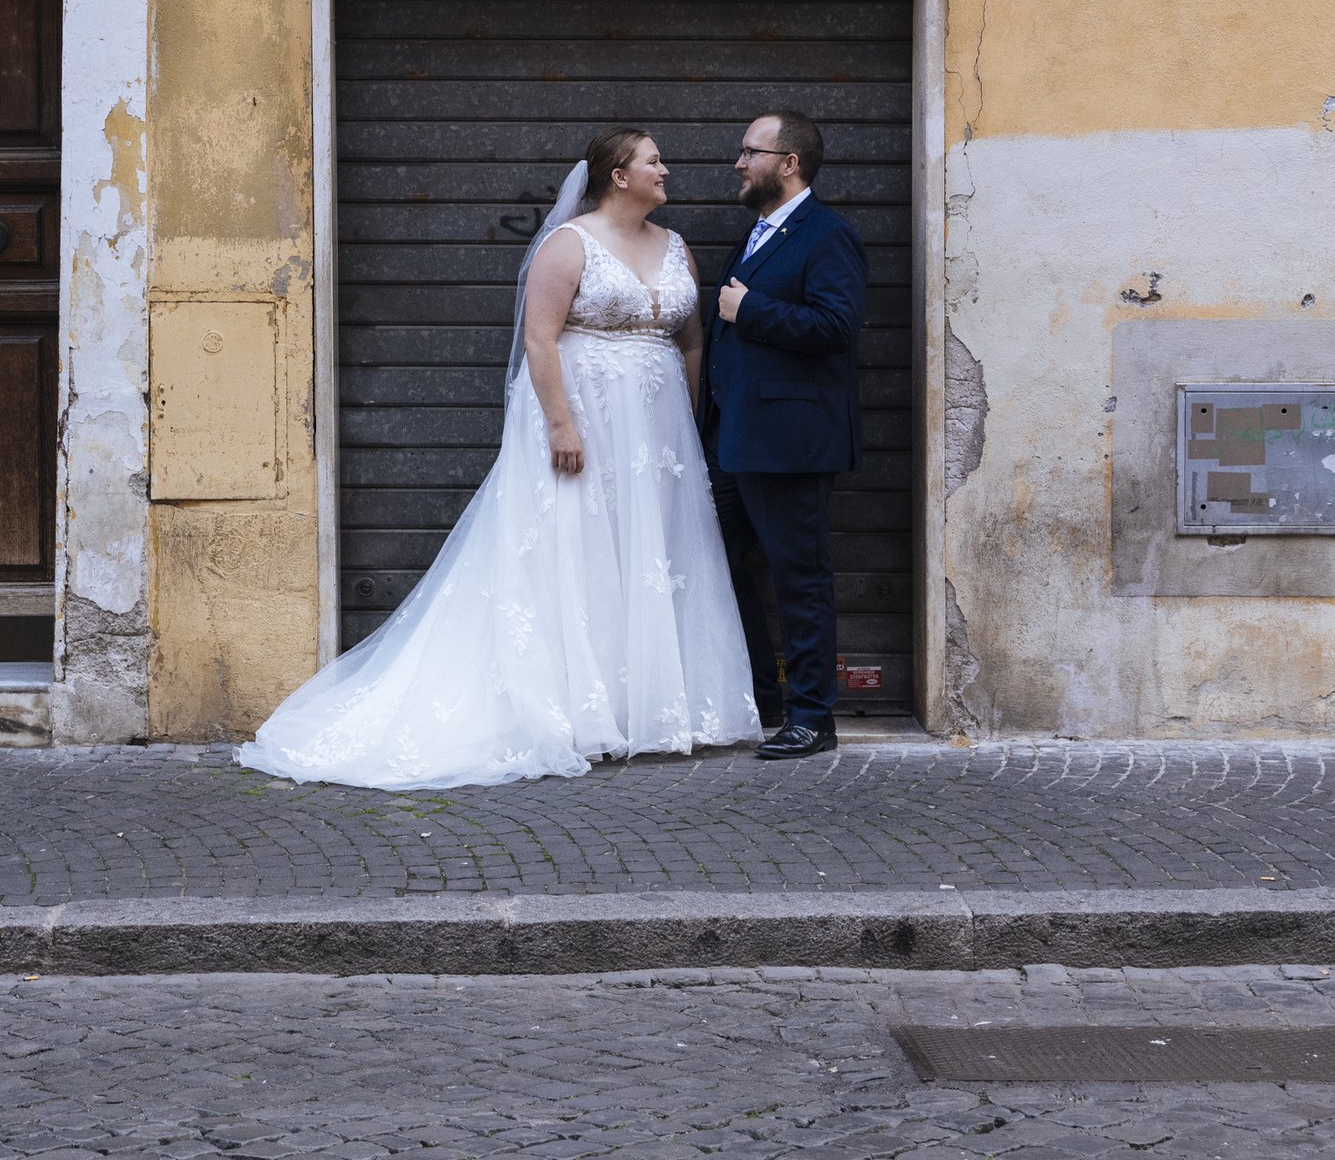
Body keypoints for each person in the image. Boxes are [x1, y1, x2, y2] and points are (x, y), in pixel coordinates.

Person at [240, 128, 760, 788]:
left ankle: (652, 710)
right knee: (577, 550)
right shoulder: (569, 245)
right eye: (654, 161)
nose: (667, 170)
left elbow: (689, 339)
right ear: (619, 175)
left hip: (657, 435)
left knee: (654, 555)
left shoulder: (675, 247)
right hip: (584, 416)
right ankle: (581, 709)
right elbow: (541, 342)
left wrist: (685, 420)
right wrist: (562, 426)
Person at [698, 111, 868, 763]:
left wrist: (752, 311)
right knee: (716, 563)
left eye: (750, 152)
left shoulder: (827, 236)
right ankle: (764, 699)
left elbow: (836, 326)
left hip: (790, 441)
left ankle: (812, 717)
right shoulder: (757, 234)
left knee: (800, 577)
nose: (739, 163)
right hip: (736, 437)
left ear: (787, 162)